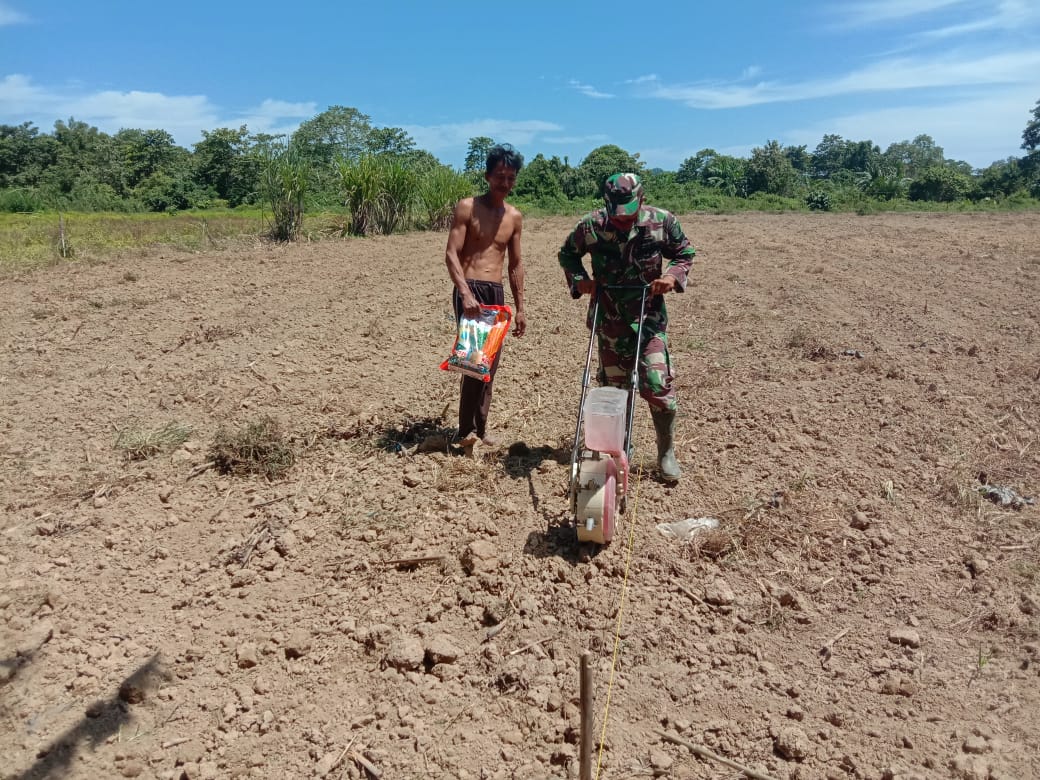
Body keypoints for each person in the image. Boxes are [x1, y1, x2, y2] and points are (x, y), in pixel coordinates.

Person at [558, 172, 696, 482]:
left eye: (629, 212)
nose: (622, 220)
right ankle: (620, 449)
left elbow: (685, 253)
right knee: (615, 392)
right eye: (616, 213)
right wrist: (582, 282)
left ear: (642, 200)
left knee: (658, 386)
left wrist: (672, 277)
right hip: (609, 321)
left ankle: (666, 451)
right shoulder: (591, 226)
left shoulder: (662, 222)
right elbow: (567, 254)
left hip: (648, 319)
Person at [444, 144, 526, 450]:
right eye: (500, 176)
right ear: (488, 175)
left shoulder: (514, 217)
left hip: (495, 292)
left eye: (510, 177)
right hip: (471, 289)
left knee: (489, 365)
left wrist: (520, 308)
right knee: (473, 361)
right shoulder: (467, 207)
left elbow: (515, 264)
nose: (504, 183)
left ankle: (480, 428)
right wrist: (464, 293)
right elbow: (451, 254)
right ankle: (466, 430)